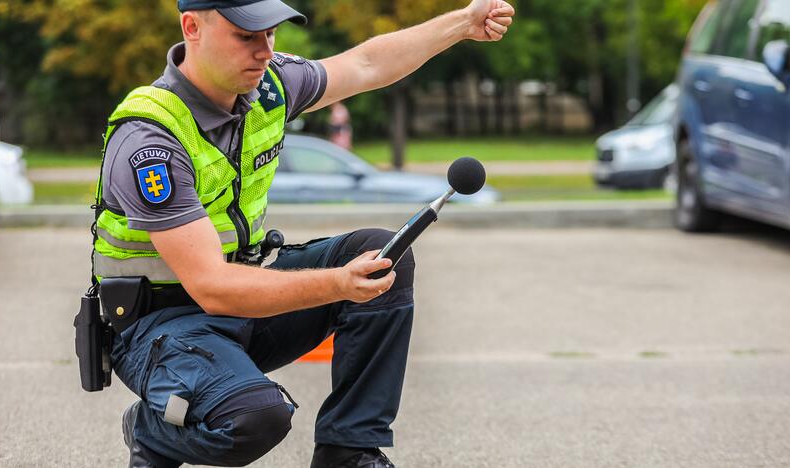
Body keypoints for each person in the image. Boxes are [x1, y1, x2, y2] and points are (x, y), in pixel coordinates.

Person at [93, 0, 514, 466]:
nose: (264, 51)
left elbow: (366, 63)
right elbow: (211, 287)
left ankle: (347, 451)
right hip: (159, 328)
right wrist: (337, 284)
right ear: (192, 27)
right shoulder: (150, 140)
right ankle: (151, 430)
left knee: (381, 255)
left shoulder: (267, 87)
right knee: (255, 419)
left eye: (270, 34)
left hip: (241, 305)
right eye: (246, 36)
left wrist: (463, 22)